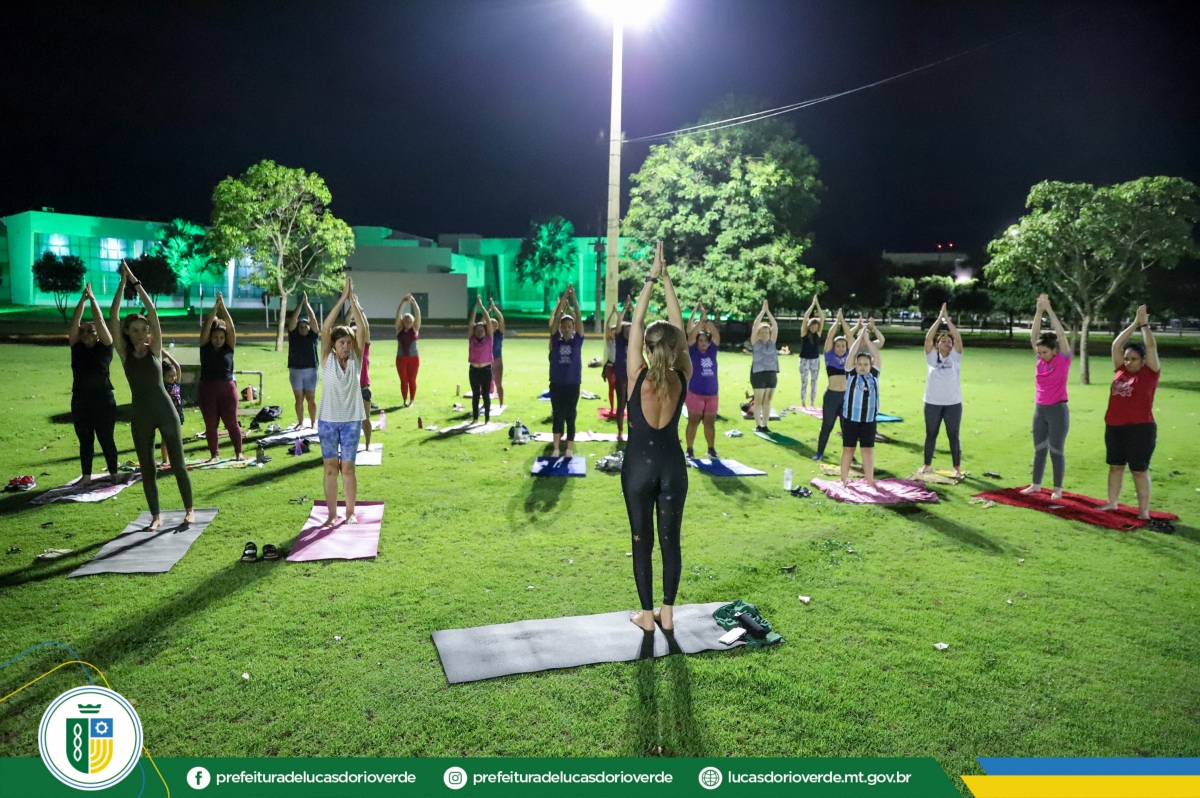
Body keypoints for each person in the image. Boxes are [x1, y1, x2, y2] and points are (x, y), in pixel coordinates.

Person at [624, 242, 691, 632]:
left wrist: (651, 277)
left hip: (638, 468)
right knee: (671, 541)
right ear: (675, 347)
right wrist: (668, 280)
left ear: (647, 349)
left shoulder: (637, 375)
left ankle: (647, 617)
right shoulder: (682, 375)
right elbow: (679, 331)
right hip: (673, 467)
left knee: (641, 540)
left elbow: (635, 326)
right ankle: (667, 613)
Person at [111, 262, 194, 530]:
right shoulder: (125, 354)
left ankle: (189, 510)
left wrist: (135, 282)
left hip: (165, 410)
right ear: (127, 332)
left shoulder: (155, 349)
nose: (140, 333)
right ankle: (156, 517)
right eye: (134, 330)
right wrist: (122, 284)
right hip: (141, 415)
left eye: (143, 329)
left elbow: (153, 313)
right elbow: (113, 316)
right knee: (148, 468)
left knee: (178, 464)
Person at [1101, 304, 1161, 520]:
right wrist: (1134, 323)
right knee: (1115, 466)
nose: (1128, 362)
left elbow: (1151, 347)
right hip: (1114, 426)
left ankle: (1143, 511)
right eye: (1127, 358)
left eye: (1134, 359)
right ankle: (1112, 503)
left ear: (1143, 360)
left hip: (1140, 428)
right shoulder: (1121, 370)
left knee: (1139, 470)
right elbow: (1116, 345)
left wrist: (1144, 326)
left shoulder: (1150, 372)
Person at [317, 277, 368, 526]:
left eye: (349, 342)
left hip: (351, 422)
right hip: (327, 421)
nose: (346, 346)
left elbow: (363, 330)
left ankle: (349, 513)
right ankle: (331, 515)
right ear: (334, 345)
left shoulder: (356, 359)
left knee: (348, 468)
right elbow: (325, 329)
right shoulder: (326, 359)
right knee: (330, 468)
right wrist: (341, 299)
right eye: (342, 343)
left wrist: (352, 301)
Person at [68, 285, 120, 485]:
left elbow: (100, 322)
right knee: (85, 439)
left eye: (91, 331)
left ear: (98, 334)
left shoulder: (105, 347)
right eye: (84, 332)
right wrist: (82, 301)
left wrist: (93, 301)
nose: (86, 334)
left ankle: (114, 473)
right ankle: (86, 476)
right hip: (81, 399)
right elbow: (75, 322)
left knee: (106, 438)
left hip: (103, 398)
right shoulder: (76, 347)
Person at [1022, 294, 1071, 500]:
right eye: (1039, 352)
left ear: (1054, 350)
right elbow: (1033, 337)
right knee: (1039, 449)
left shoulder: (1063, 359)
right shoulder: (1041, 361)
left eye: (1044, 352)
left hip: (1057, 409)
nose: (1040, 355)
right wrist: (1038, 311)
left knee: (1056, 450)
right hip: (1040, 409)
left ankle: (1057, 489)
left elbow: (1061, 335)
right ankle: (1036, 484)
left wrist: (1049, 310)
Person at [197, 292, 243, 461]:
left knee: (232, 422)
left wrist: (223, 308)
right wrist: (215, 308)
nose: (218, 340)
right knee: (211, 424)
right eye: (215, 337)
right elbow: (206, 325)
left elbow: (231, 328)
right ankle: (214, 455)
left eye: (221, 338)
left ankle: (239, 452)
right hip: (207, 388)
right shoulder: (204, 346)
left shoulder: (229, 347)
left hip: (227, 388)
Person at [921, 303, 964, 477]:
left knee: (953, 435)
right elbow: (928, 340)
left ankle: (956, 468)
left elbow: (958, 339)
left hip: (953, 404)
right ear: (937, 344)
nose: (947, 343)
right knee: (931, 434)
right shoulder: (932, 357)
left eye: (949, 341)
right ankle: (927, 465)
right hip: (932, 403)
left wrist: (948, 321)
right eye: (943, 341)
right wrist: (939, 319)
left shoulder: (955, 357)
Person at [841, 320, 884, 488]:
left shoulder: (874, 374)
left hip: (868, 419)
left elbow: (877, 356)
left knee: (867, 450)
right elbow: (852, 353)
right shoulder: (851, 374)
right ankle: (843, 480)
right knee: (849, 449)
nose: (862, 367)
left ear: (870, 365)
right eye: (859, 364)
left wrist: (867, 337)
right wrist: (860, 338)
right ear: (855, 365)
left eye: (866, 364)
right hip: (851, 418)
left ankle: (870, 480)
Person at [548, 285, 584, 457]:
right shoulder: (556, 340)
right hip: (556, 384)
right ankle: (556, 448)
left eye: (569, 326)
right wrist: (564, 298)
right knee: (557, 415)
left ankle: (569, 449)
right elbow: (556, 318)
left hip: (573, 384)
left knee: (570, 416)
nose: (566, 329)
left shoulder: (577, 341)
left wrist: (574, 298)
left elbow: (579, 317)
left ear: (573, 328)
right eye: (564, 327)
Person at [813, 309, 853, 461]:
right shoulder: (829, 356)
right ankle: (819, 452)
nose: (841, 348)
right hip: (831, 396)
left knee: (847, 427)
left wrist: (843, 321)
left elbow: (849, 336)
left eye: (843, 346)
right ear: (834, 347)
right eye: (838, 346)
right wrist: (836, 322)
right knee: (827, 425)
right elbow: (830, 336)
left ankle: (850, 455)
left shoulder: (849, 356)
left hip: (846, 396)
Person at [685, 300, 722, 459]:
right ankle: (689, 449)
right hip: (695, 392)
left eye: (706, 341)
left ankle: (711, 449)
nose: (703, 343)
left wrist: (706, 320)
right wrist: (701, 322)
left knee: (710, 423)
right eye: (701, 341)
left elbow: (716, 335)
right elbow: (692, 335)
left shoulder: (712, 350)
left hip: (712, 393)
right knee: (693, 421)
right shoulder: (693, 351)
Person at [287, 292, 320, 427]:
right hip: (296, 371)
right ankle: (300, 422)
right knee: (299, 399)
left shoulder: (313, 336)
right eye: (301, 326)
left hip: (311, 371)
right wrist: (300, 304)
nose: (304, 328)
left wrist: (307, 305)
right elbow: (293, 320)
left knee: (311, 399)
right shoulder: (293, 335)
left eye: (306, 326)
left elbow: (313, 320)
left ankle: (313, 422)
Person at [749, 300, 780, 433]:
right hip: (758, 374)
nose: (764, 335)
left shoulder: (772, 342)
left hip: (771, 374)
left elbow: (775, 325)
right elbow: (756, 325)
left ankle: (765, 425)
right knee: (759, 401)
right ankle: (758, 425)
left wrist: (769, 312)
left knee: (767, 401)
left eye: (766, 333)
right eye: (761, 333)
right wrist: (763, 312)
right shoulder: (755, 343)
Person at [349, 295, 373, 450]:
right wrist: (351, 307)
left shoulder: (365, 348)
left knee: (365, 418)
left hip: (363, 387)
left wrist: (357, 306)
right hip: (350, 389)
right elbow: (345, 326)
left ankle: (367, 445)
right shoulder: (346, 350)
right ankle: (351, 445)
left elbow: (365, 327)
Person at [467, 296, 495, 424]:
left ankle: (487, 419)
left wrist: (482, 306)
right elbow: (471, 323)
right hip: (474, 370)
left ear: (485, 331)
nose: (479, 332)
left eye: (481, 330)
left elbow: (488, 322)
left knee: (486, 395)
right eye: (477, 330)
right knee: (475, 395)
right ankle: (475, 419)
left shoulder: (489, 338)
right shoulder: (472, 338)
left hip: (486, 369)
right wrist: (475, 307)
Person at [394, 293, 421, 407]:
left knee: (412, 380)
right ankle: (405, 399)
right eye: (406, 321)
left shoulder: (415, 329)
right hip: (401, 359)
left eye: (410, 321)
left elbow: (418, 314)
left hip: (414, 358)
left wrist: (414, 302)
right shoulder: (399, 328)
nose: (408, 323)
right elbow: (398, 314)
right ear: (402, 321)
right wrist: (403, 302)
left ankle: (412, 400)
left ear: (413, 322)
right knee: (404, 380)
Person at [798, 295, 826, 408]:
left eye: (815, 327)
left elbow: (822, 318)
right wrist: (812, 304)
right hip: (804, 359)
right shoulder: (804, 333)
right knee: (804, 381)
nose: (814, 329)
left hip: (815, 360)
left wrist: (817, 304)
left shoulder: (817, 334)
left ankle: (812, 402)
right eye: (812, 327)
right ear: (809, 327)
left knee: (814, 381)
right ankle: (803, 401)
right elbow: (805, 318)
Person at [160, 350, 184, 465]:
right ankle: (165, 460)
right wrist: (160, 359)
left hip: (177, 414)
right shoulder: (162, 385)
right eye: (169, 376)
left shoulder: (176, 383)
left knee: (177, 438)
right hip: (166, 415)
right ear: (163, 376)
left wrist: (169, 356)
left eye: (174, 375)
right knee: (165, 439)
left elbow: (177, 367)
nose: (173, 377)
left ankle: (177, 459)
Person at [488, 298, 506, 407]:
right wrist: (488, 310)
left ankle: (501, 403)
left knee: (498, 383)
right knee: (486, 384)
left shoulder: (499, 334)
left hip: (497, 359)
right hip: (487, 360)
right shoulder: (485, 334)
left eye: (494, 324)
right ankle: (486, 404)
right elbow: (483, 321)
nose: (493, 326)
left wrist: (494, 308)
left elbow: (501, 319)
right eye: (491, 324)